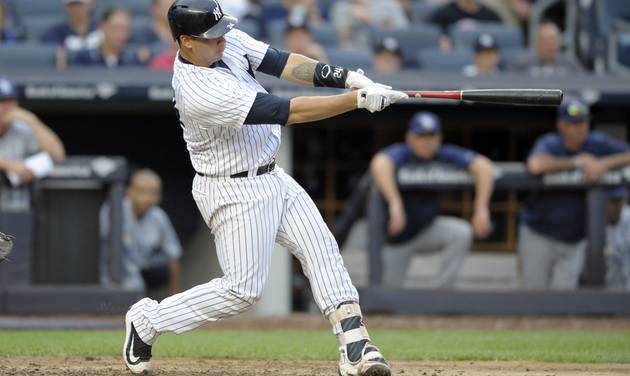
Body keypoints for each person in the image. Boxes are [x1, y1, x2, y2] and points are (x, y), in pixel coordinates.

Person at [122, 1, 407, 376]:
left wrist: (347, 78)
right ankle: (149, 320)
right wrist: (357, 100)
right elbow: (286, 112)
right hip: (231, 190)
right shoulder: (198, 89)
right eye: (211, 37)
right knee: (242, 291)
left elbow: (284, 63)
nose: (222, 41)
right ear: (186, 42)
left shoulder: (227, 40)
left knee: (321, 249)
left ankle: (356, 347)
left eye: (222, 31)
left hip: (272, 174)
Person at [370, 111, 495, 288]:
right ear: (409, 137)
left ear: (439, 137)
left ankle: (440, 293)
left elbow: (484, 166)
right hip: (397, 236)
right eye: (421, 136)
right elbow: (379, 163)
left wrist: (481, 208)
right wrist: (395, 204)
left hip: (427, 229)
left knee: (461, 232)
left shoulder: (444, 154)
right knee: (390, 293)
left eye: (431, 135)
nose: (427, 141)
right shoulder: (403, 153)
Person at [519, 99, 630, 290]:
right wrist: (577, 162)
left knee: (563, 304)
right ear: (561, 124)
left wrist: (603, 164)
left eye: (583, 122)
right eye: (573, 123)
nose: (580, 128)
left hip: (574, 240)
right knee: (532, 297)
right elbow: (535, 165)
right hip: (540, 234)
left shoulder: (597, 143)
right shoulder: (550, 143)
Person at [100, 169, 182, 296]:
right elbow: (101, 251)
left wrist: (175, 298)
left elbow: (173, 257)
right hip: (112, 273)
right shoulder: (113, 210)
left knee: (164, 265)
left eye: (153, 193)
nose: (148, 198)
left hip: (142, 269)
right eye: (143, 192)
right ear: (130, 191)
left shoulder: (159, 217)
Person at [0, 76, 66, 212]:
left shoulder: (22, 130)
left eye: (10, 101)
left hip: (14, 211)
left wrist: (33, 121)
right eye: (1, 101)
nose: (6, 107)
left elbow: (58, 155)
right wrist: (9, 165)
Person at [67, 8, 150, 68]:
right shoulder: (84, 59)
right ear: (102, 27)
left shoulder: (133, 61)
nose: (121, 35)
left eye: (126, 29)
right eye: (116, 28)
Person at [508, 21, 582, 76]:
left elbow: (584, 88)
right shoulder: (520, 64)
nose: (549, 46)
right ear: (536, 43)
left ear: (559, 43)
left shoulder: (570, 64)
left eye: (553, 41)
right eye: (545, 41)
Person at [330, 0, 409, 49]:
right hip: (355, 50)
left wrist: (369, 20)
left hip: (384, 49)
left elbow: (404, 31)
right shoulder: (341, 7)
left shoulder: (388, 4)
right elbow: (340, 40)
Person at [428, 0, 501, 51]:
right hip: (455, 53)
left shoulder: (489, 15)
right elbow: (428, 30)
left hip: (483, 53)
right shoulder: (444, 13)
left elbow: (501, 33)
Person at [605, 187, 630, 290]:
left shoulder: (628, 218)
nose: (618, 206)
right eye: (613, 202)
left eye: (620, 201)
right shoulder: (592, 222)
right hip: (601, 294)